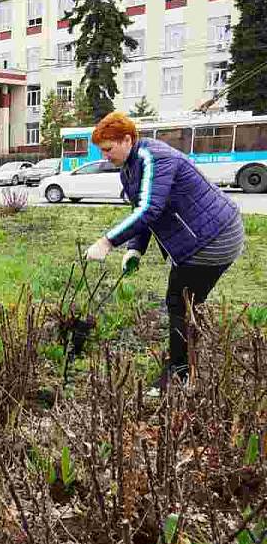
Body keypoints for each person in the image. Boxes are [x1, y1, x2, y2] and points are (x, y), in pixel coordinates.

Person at [84, 111, 244, 389]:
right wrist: (136, 249)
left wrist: (107, 242)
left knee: (179, 303)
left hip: (214, 237)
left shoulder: (154, 157)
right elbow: (143, 209)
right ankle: (186, 363)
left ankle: (180, 376)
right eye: (102, 150)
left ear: (127, 139)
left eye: (108, 149)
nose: (105, 155)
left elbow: (150, 210)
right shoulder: (130, 167)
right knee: (185, 303)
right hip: (200, 237)